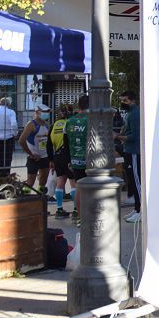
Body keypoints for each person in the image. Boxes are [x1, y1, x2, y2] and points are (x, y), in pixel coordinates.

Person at [116, 91, 142, 224]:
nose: (122, 103)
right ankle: (137, 208)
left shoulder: (135, 114)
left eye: (124, 100)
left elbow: (135, 137)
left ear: (132, 100)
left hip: (134, 151)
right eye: (121, 100)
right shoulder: (130, 114)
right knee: (132, 180)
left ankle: (141, 210)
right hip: (129, 151)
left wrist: (118, 136)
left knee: (137, 182)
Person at [63, 95, 90, 225]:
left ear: (79, 106)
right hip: (92, 160)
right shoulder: (92, 119)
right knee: (93, 188)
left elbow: (65, 142)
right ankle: (91, 216)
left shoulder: (69, 121)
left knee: (79, 186)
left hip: (75, 160)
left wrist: (69, 160)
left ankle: (80, 218)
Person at [19, 103, 51, 192]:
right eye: (45, 112)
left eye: (48, 112)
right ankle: (24, 199)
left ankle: (40, 197)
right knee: (30, 181)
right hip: (33, 158)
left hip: (45, 157)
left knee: (43, 180)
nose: (47, 113)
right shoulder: (31, 124)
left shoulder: (46, 124)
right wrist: (31, 154)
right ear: (37, 112)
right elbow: (21, 141)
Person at [47, 105, 72, 218]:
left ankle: (59, 209)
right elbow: (68, 141)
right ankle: (76, 210)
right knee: (73, 182)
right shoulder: (69, 123)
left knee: (60, 182)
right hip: (68, 156)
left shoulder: (53, 126)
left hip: (57, 156)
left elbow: (48, 144)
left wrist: (51, 159)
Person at [0, 96, 18, 181]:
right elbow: (14, 124)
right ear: (8, 104)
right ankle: (6, 175)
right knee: (7, 157)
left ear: (0, 103)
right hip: (8, 138)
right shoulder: (11, 112)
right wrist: (15, 133)